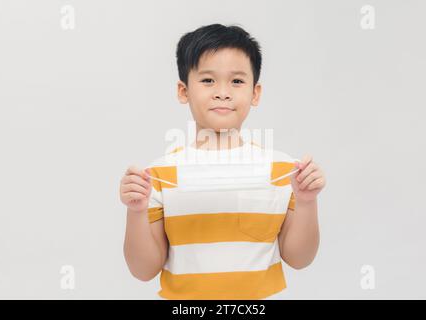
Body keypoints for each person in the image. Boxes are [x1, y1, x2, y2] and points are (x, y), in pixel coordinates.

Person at [120, 24, 326, 299]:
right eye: (207, 80)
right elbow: (143, 270)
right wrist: (135, 211)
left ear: (255, 93)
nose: (222, 92)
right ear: (184, 91)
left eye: (237, 81)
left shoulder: (283, 171)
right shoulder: (158, 175)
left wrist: (307, 201)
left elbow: (300, 258)